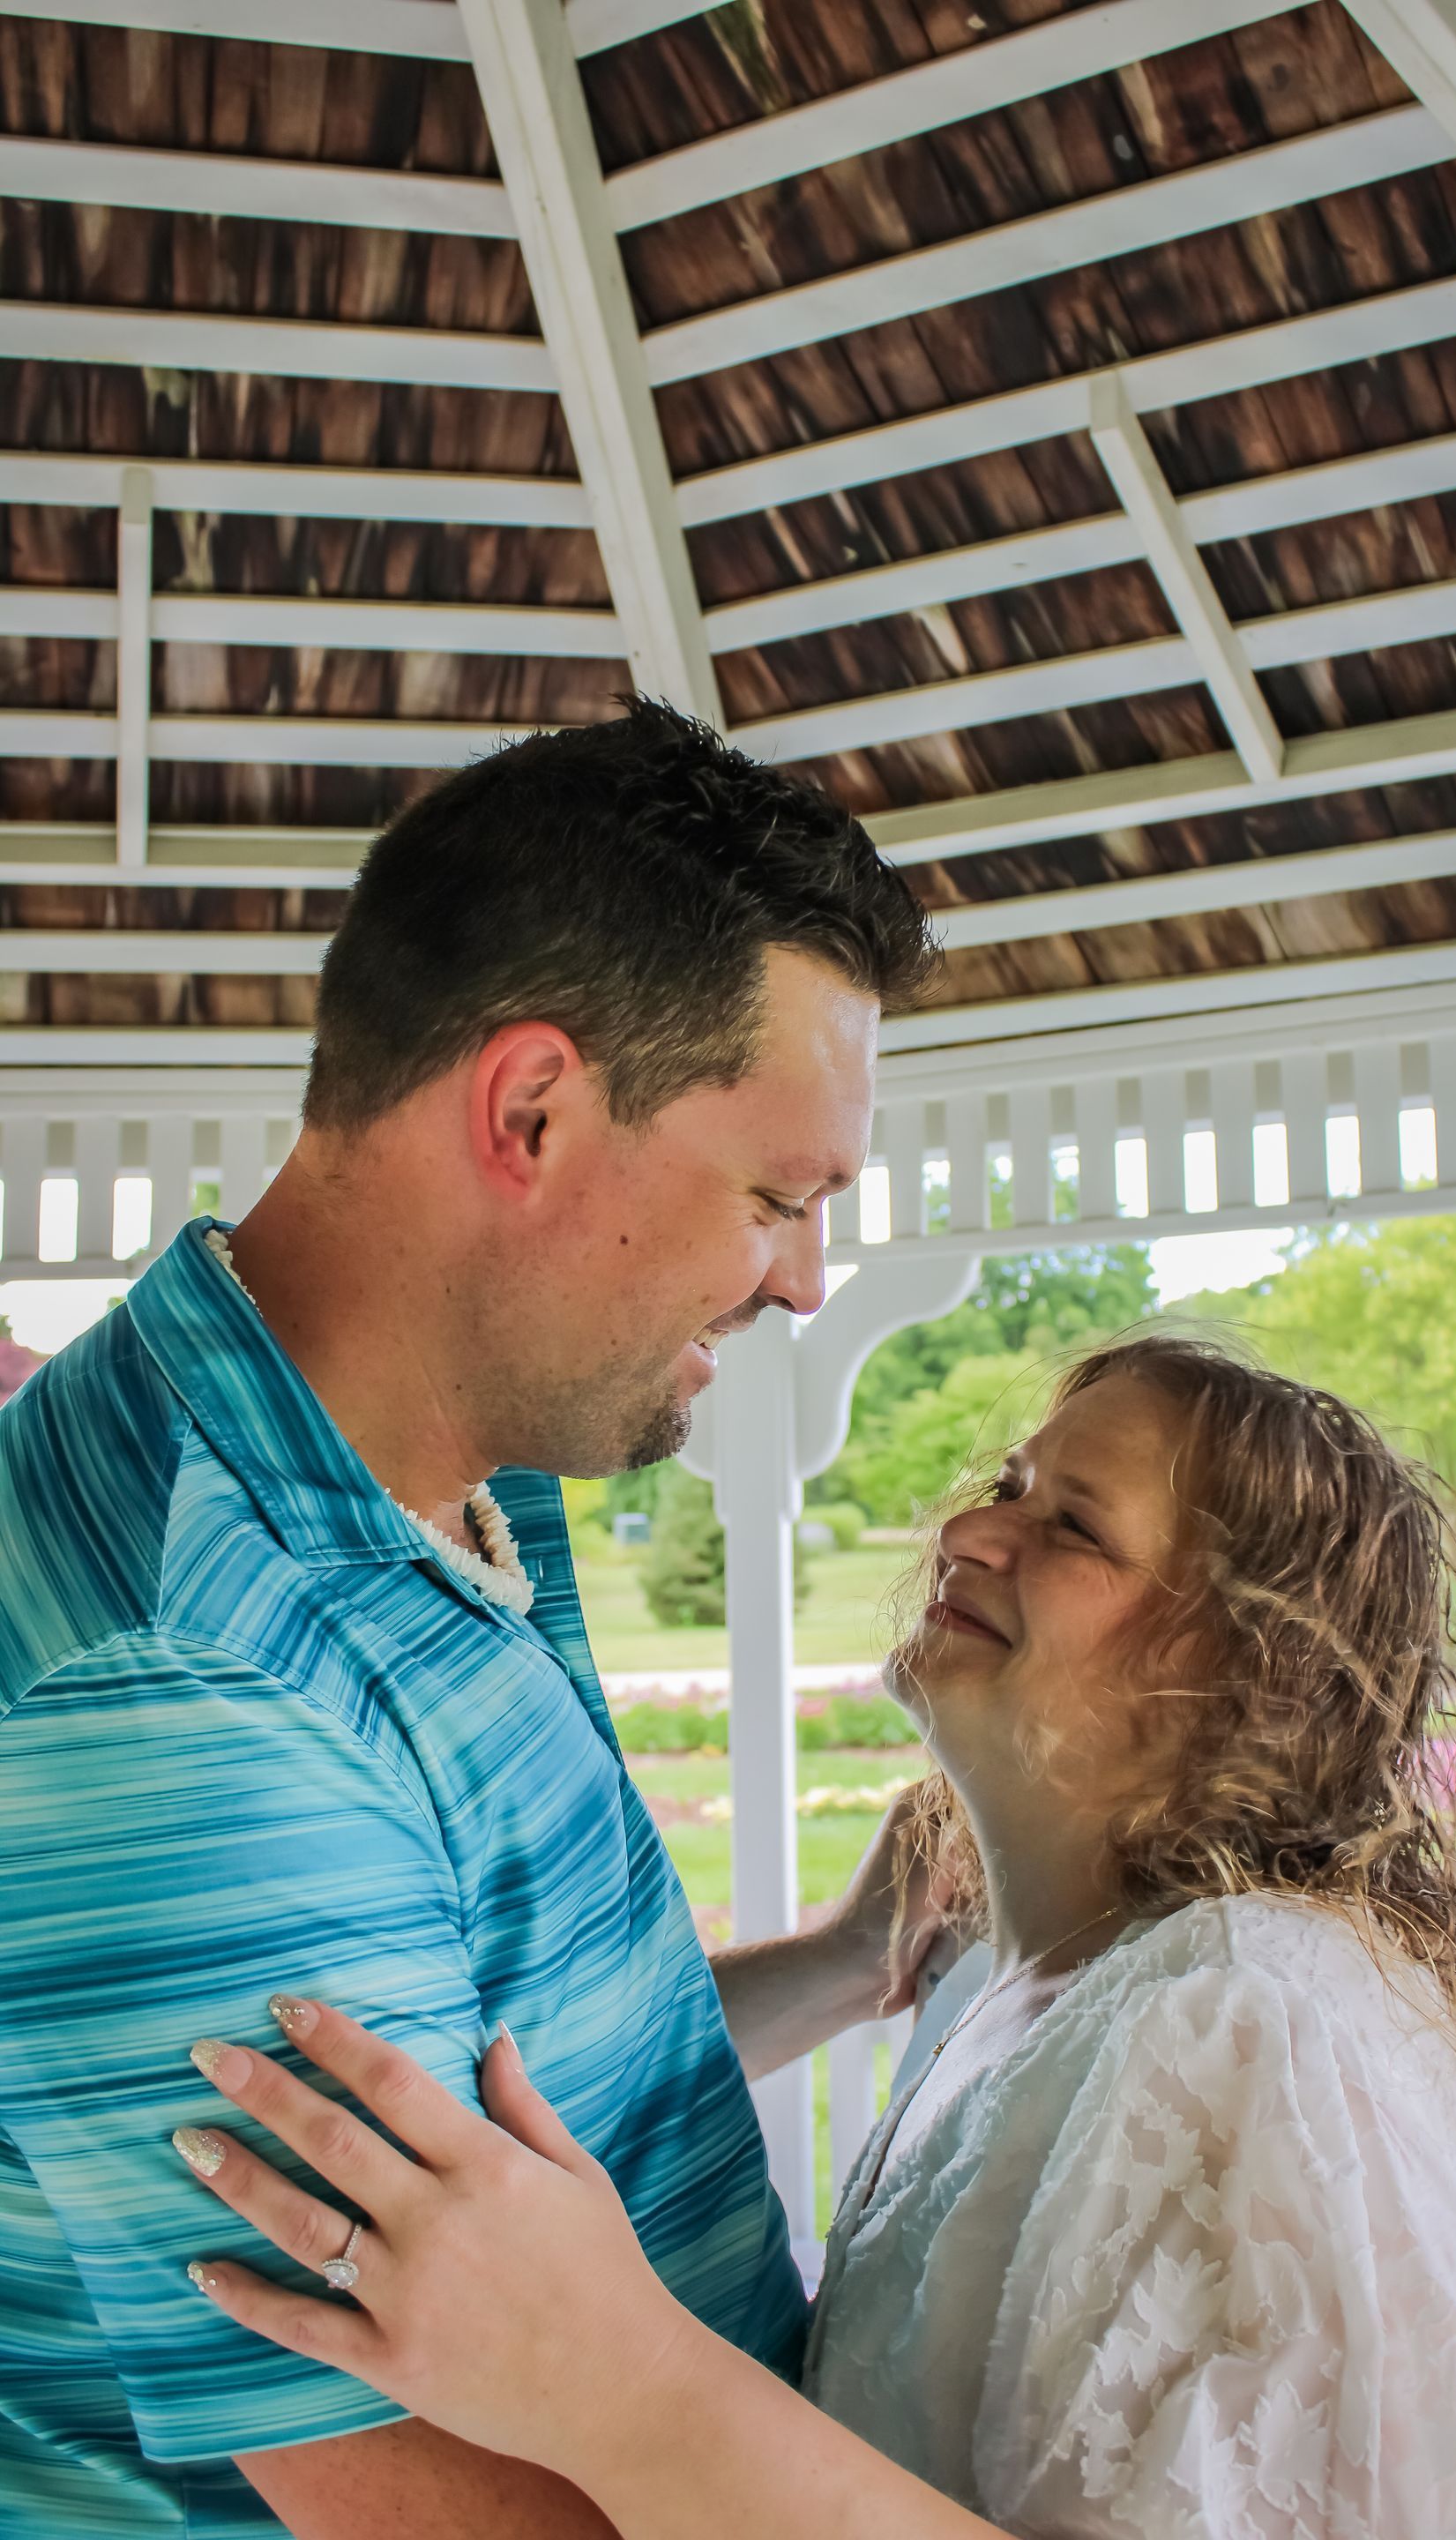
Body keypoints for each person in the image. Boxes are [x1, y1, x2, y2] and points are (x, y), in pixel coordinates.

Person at [171, 1334, 1456, 2538]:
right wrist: (848, 1957)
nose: (968, 1526)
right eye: (1011, 1481)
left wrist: (618, 2384)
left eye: (1073, 1524)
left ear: (1236, 1670)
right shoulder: (1028, 1990)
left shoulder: (1263, 2014)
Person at [0, 701, 942, 2540]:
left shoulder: (455, 1463)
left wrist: (844, 1960)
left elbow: (502, 2112)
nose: (809, 1283)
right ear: (530, 1110)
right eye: (776, 1196)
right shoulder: (189, 1680)